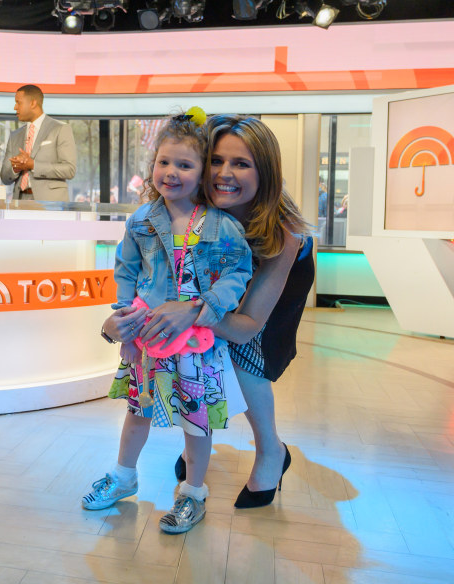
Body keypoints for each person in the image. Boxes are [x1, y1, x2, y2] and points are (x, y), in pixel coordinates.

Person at [82, 112, 252, 534]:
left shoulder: (223, 226)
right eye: (163, 162)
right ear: (152, 165)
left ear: (202, 173)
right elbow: (125, 269)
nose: (171, 172)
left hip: (198, 344)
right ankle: (124, 476)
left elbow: (239, 273)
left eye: (185, 165)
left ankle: (193, 493)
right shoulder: (141, 220)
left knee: (197, 421)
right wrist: (123, 318)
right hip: (147, 339)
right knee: (136, 411)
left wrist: (208, 305)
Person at [171, 114, 315, 508]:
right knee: (196, 348)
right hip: (217, 282)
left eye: (241, 163)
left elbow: (247, 327)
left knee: (244, 354)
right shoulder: (195, 208)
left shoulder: (283, 234)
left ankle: (271, 450)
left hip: (276, 281)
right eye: (216, 160)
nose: (224, 173)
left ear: (264, 171)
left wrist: (189, 311)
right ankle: (195, 442)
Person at [0, 85, 76, 202]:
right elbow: (4, 177)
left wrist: (33, 165)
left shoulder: (60, 129)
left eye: (18, 102)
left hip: (50, 204)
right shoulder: (15, 136)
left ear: (33, 103)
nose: (15, 107)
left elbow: (69, 169)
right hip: (19, 202)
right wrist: (16, 168)